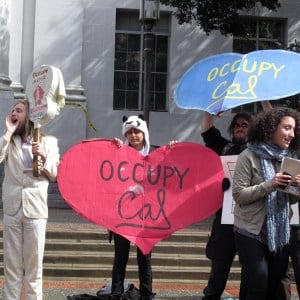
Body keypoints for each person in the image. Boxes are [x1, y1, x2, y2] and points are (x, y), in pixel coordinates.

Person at [232, 107, 300, 300]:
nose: (291, 134)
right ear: (271, 129)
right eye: (287, 128)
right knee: (258, 285)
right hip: (250, 231)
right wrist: (269, 185)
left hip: (279, 232)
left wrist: (297, 189)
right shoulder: (248, 155)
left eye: (294, 129)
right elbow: (239, 195)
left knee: (273, 287)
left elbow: (291, 199)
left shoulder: (290, 159)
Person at [0, 99, 60, 299]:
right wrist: (8, 132)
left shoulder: (48, 141)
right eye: (12, 110)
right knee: (12, 266)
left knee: (34, 268)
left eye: (18, 110)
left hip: (35, 210)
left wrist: (43, 156)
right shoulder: (10, 141)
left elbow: (56, 174)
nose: (13, 113)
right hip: (12, 209)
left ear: (30, 115)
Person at [200, 110, 253, 300]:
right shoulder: (225, 148)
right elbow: (206, 130)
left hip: (250, 220)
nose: (240, 128)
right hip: (224, 219)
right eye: (237, 125)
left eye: (244, 125)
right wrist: (211, 110)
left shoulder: (259, 151)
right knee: (219, 266)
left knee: (250, 268)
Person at [110, 115, 156, 300]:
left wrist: (172, 148)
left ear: (144, 132)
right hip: (123, 214)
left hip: (146, 215)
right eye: (129, 132)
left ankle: (146, 294)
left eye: (137, 131)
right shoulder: (119, 153)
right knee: (120, 257)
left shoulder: (156, 154)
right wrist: (111, 148)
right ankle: (116, 293)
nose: (133, 135)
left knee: (144, 258)